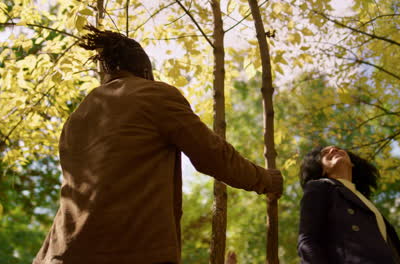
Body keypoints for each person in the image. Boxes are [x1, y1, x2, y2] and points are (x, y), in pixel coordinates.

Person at [33, 25, 283, 264]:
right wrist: (266, 180)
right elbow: (213, 155)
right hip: (129, 252)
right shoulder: (153, 95)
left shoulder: (78, 115)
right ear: (145, 71)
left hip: (60, 253)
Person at [297, 145, 400, 264]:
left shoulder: (365, 201)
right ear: (321, 168)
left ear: (352, 163)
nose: (334, 150)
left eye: (337, 149)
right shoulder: (318, 187)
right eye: (325, 153)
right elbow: (308, 241)